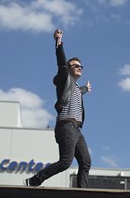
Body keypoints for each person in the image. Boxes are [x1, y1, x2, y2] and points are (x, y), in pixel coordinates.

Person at [24, 29, 92, 188]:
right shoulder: (64, 79)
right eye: (76, 66)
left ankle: (82, 192)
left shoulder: (75, 88)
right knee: (65, 162)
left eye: (81, 66)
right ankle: (34, 180)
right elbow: (61, 62)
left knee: (86, 161)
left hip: (77, 130)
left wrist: (86, 89)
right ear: (69, 69)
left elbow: (78, 91)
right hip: (66, 127)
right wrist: (58, 42)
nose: (80, 68)